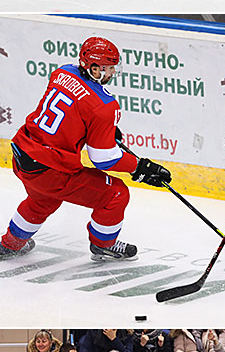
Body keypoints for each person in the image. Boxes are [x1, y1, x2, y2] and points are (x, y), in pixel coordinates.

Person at [0, 37, 171, 261]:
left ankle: (10, 244)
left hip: (23, 154)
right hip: (51, 169)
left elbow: (72, 112)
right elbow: (103, 158)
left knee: (43, 199)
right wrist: (139, 167)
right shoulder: (104, 106)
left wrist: (101, 130)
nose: (112, 73)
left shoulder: (63, 73)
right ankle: (103, 245)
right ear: (92, 67)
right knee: (116, 194)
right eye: (108, 68)